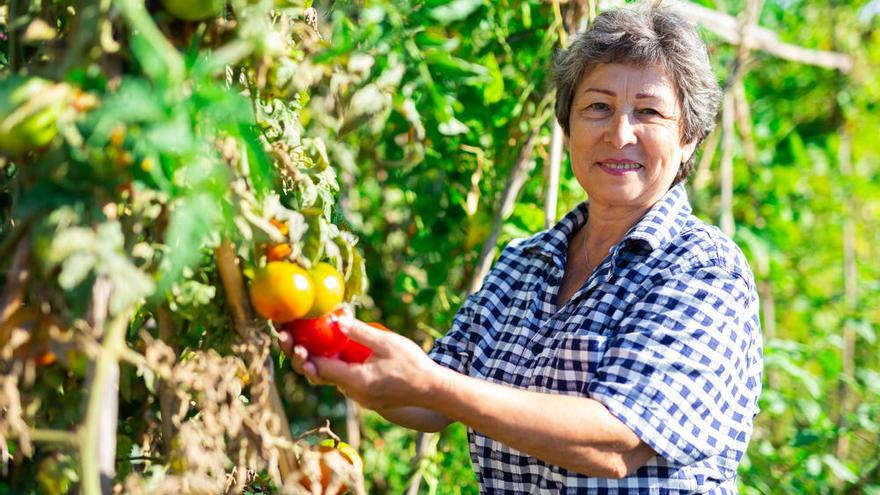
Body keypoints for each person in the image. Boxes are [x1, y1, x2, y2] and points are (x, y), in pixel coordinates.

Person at [293, 4, 763, 492]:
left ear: (688, 138)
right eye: (597, 107)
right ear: (568, 127)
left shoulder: (700, 270)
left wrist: (433, 384)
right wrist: (342, 354)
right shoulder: (524, 263)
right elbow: (433, 398)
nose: (619, 133)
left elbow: (616, 442)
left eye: (648, 112)